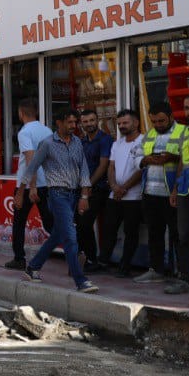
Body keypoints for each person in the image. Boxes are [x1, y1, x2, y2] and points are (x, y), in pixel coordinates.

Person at [20, 109, 98, 293]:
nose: (73, 126)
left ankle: (33, 267)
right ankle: (81, 280)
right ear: (59, 123)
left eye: (74, 123)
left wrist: (84, 196)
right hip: (57, 195)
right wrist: (22, 191)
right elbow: (32, 168)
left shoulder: (78, 142)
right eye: (70, 122)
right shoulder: (47, 144)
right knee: (71, 238)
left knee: (57, 235)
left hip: (74, 195)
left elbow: (84, 170)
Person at [135, 101, 185, 284]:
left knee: (178, 234)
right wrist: (145, 160)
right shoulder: (149, 135)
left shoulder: (184, 133)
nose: (157, 125)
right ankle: (156, 270)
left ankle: (183, 272)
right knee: (155, 233)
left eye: (161, 121)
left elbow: (188, 160)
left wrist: (173, 158)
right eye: (154, 121)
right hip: (150, 192)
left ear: (171, 117)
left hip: (172, 193)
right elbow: (136, 156)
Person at [4, 97, 55, 270]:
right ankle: (75, 251)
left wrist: (29, 187)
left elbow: (31, 159)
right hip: (46, 184)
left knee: (19, 222)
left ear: (21, 113)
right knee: (50, 223)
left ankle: (19, 258)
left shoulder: (24, 133)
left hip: (27, 186)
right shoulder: (47, 130)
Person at [97, 109, 144, 278]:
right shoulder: (117, 143)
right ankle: (103, 262)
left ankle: (125, 267)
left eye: (125, 123)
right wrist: (114, 186)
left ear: (136, 123)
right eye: (119, 124)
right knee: (109, 229)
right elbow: (111, 167)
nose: (122, 126)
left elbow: (141, 170)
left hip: (134, 196)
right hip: (114, 195)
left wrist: (124, 188)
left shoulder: (144, 141)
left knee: (131, 233)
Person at [166, 94, 189, 295]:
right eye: (187, 108)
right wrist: (175, 189)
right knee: (185, 236)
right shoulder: (184, 133)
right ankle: (188, 279)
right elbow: (182, 162)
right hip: (186, 190)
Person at [75, 108, 113, 271]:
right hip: (83, 189)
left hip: (99, 189)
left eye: (91, 120)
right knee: (80, 224)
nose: (89, 124)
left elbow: (103, 165)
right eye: (85, 121)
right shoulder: (81, 141)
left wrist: (87, 185)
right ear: (81, 124)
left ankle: (94, 260)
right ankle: (85, 258)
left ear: (97, 120)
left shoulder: (105, 139)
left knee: (85, 223)